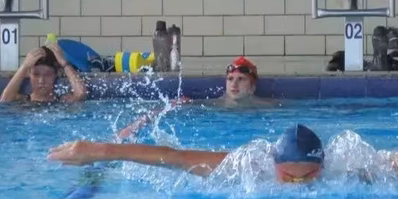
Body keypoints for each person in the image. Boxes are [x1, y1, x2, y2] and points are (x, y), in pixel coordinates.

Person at [50, 123, 398, 183]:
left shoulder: (352, 168)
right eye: (288, 176)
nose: (295, 184)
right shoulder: (247, 168)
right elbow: (171, 156)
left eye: (304, 176)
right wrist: (98, 150)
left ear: (322, 166)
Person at [114, 56, 276, 140]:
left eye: (241, 79)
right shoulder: (213, 105)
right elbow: (170, 108)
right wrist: (136, 125)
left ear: (252, 87)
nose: (234, 84)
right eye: (230, 79)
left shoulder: (269, 108)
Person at [0, 44, 87, 103]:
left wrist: (64, 62)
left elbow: (80, 94)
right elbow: (4, 100)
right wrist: (24, 66)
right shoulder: (23, 100)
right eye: (36, 74)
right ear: (29, 74)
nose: (41, 81)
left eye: (48, 75)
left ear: (56, 75)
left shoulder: (62, 100)